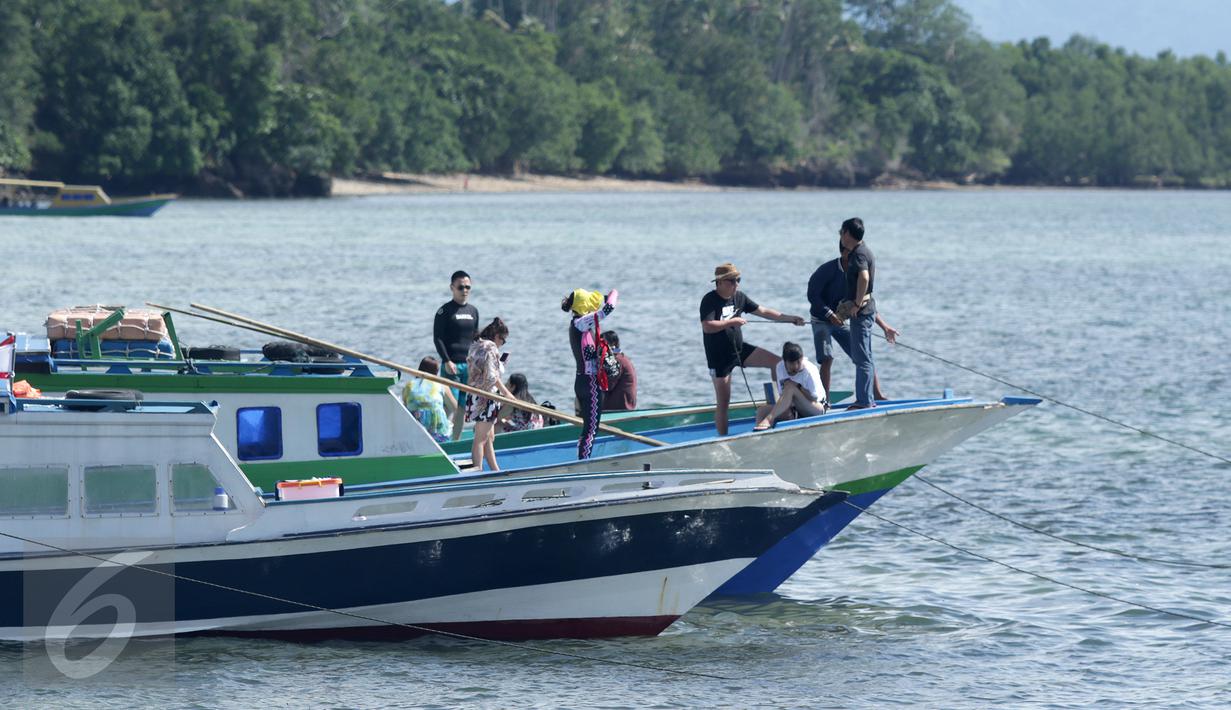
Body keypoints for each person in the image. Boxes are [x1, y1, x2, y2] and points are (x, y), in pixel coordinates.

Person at [700, 262, 805, 436]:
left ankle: (777, 408)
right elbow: (707, 326)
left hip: (740, 350)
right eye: (731, 281)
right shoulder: (709, 300)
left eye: (738, 280)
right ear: (719, 282)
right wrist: (731, 322)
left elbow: (763, 311)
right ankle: (723, 439)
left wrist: (790, 318)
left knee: (777, 363)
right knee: (723, 402)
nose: (736, 284)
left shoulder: (739, 297)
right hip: (719, 357)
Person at [807, 240, 899, 400]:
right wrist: (829, 314)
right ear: (843, 253)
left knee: (864, 355)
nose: (857, 260)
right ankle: (824, 401)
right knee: (827, 358)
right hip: (821, 320)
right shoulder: (826, 270)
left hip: (840, 321)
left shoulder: (856, 274)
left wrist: (884, 327)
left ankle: (877, 394)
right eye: (853, 256)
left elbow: (863, 303)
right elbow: (812, 295)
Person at [563, 288, 618, 459]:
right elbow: (607, 309)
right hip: (590, 384)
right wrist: (614, 293)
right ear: (583, 305)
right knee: (591, 429)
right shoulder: (581, 323)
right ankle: (584, 464)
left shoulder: (578, 325)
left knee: (588, 428)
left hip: (582, 380)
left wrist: (602, 296)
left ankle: (582, 458)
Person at [433, 270, 478, 440]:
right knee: (450, 406)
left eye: (468, 287)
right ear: (452, 288)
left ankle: (456, 440)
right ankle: (439, 436)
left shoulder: (473, 311)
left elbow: (475, 338)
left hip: (469, 365)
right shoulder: (445, 311)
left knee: (463, 408)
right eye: (461, 287)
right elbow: (437, 338)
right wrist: (446, 360)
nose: (464, 290)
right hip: (450, 364)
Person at [839, 218, 879, 409]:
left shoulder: (859, 254)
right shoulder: (864, 251)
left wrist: (855, 303)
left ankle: (864, 401)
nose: (840, 236)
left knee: (861, 357)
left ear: (847, 233)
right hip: (867, 309)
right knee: (866, 356)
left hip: (861, 312)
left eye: (841, 232)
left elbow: (864, 277)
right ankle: (867, 399)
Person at [465, 318, 514, 471]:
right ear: (496, 335)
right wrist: (507, 394)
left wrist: (500, 364)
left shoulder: (475, 345)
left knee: (488, 438)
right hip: (486, 397)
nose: (502, 344)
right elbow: (492, 377)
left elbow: (479, 371)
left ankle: (495, 469)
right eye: (503, 340)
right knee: (480, 438)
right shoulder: (491, 348)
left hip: (474, 394)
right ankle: (477, 471)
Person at [753, 342, 827, 431]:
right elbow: (782, 395)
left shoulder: (809, 370)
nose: (795, 366)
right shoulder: (779, 367)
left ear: (802, 358)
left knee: (790, 387)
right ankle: (758, 434)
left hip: (816, 408)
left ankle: (769, 419)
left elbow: (814, 398)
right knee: (761, 411)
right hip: (794, 408)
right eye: (792, 363)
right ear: (784, 361)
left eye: (798, 362)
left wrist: (797, 387)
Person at [401, 356, 457, 443]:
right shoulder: (441, 384)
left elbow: (405, 407)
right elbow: (454, 407)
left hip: (414, 432)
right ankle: (446, 434)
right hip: (437, 433)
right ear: (436, 372)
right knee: (450, 408)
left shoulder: (408, 385)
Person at [599, 330, 637, 411]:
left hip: (619, 406)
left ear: (613, 344)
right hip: (627, 404)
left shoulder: (616, 359)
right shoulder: (622, 357)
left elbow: (608, 385)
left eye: (603, 344)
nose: (600, 347)